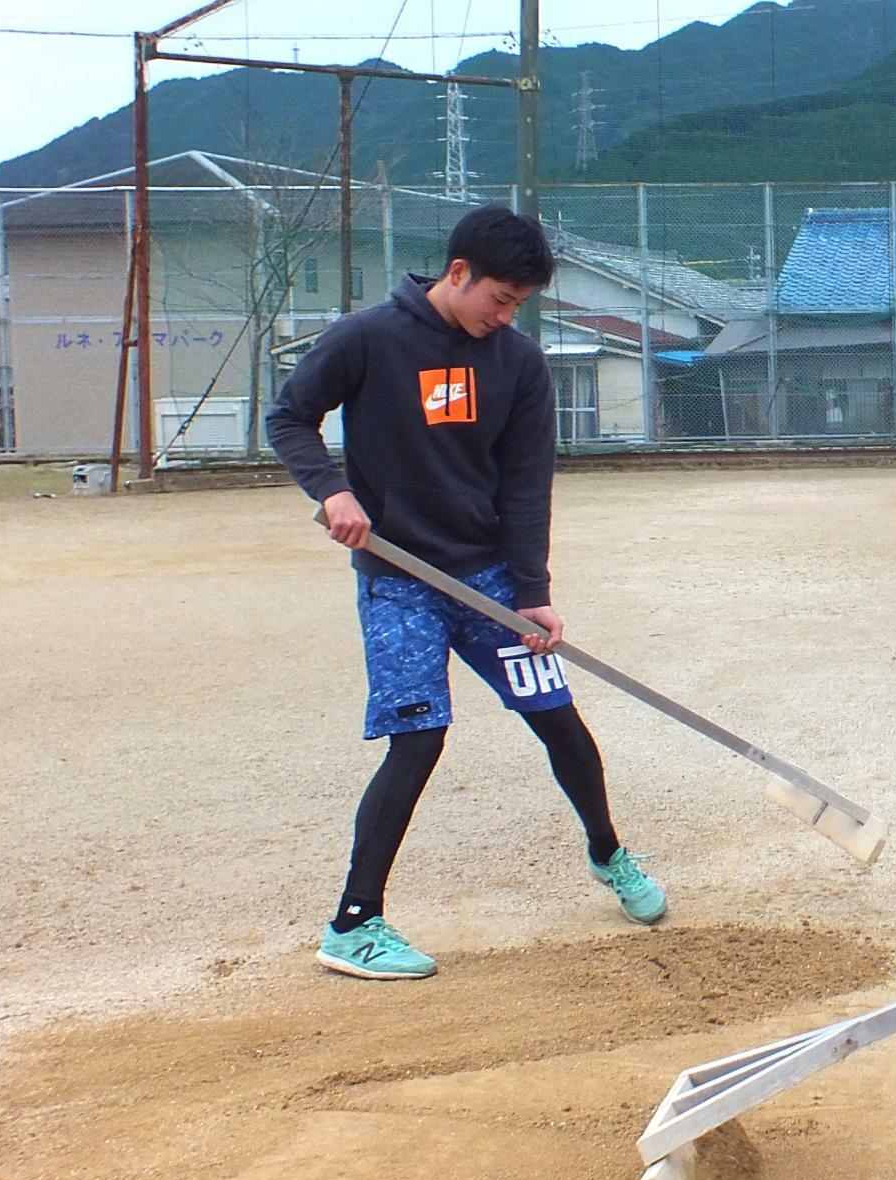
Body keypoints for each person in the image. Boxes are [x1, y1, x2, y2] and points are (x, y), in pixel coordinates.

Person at [266, 204, 667, 982]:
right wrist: (330, 490)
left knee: (560, 721)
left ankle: (608, 853)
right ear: (458, 274)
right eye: (500, 298)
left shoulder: (517, 363)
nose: (506, 314)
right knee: (417, 738)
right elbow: (290, 417)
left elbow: (526, 484)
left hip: (486, 581)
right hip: (400, 580)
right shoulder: (368, 338)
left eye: (518, 304)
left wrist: (533, 591)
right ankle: (354, 924)